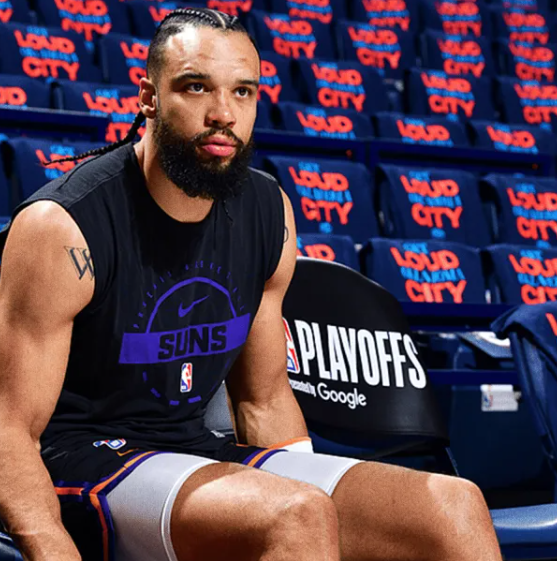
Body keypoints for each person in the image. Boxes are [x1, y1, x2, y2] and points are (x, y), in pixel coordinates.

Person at [0, 9, 502, 561]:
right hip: (82, 462)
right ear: (148, 97)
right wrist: (50, 545)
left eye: (243, 92)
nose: (223, 114)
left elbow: (263, 398)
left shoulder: (268, 211)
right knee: (295, 514)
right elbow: (8, 428)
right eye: (196, 87)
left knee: (454, 507)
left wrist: (311, 490)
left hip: (193, 451)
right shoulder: (62, 226)